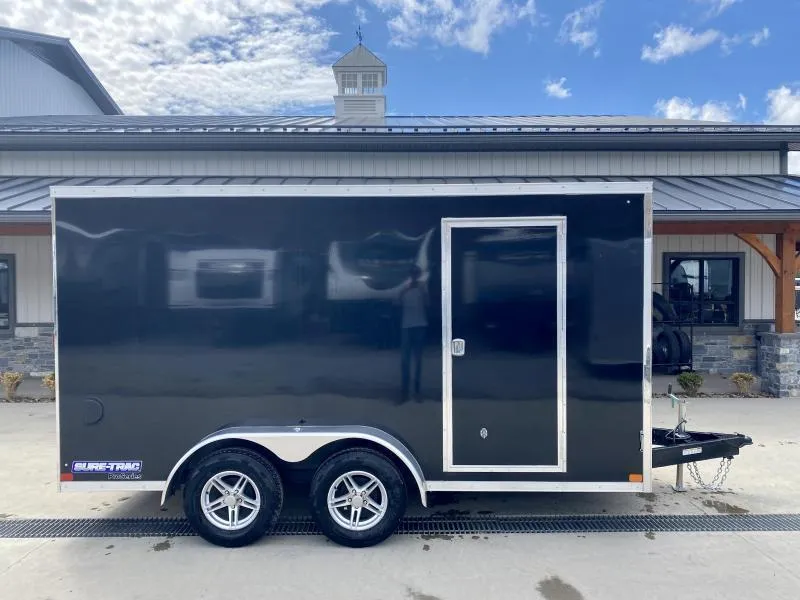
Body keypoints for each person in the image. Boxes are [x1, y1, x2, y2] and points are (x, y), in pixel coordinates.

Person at [399, 265, 428, 401]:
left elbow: (427, 303)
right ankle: (405, 392)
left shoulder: (422, 287)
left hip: (419, 325)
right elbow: (397, 302)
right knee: (405, 361)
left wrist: (422, 291)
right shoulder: (404, 287)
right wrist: (405, 291)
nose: (414, 276)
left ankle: (416, 391)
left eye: (416, 274)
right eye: (413, 274)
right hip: (407, 326)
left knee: (417, 360)